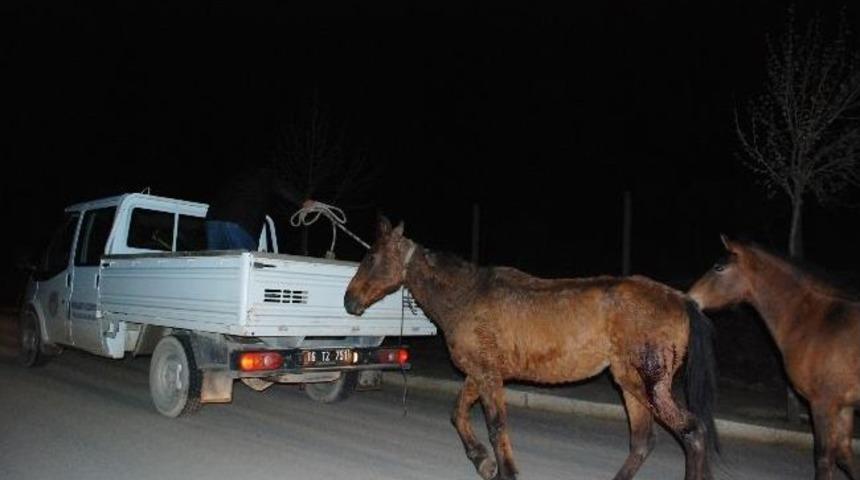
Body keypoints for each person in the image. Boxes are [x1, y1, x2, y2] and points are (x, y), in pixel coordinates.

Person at [205, 166, 310, 250]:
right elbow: (282, 187)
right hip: (240, 222)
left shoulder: (237, 176)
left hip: (212, 221)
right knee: (245, 266)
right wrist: (303, 201)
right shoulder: (265, 174)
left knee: (216, 266)